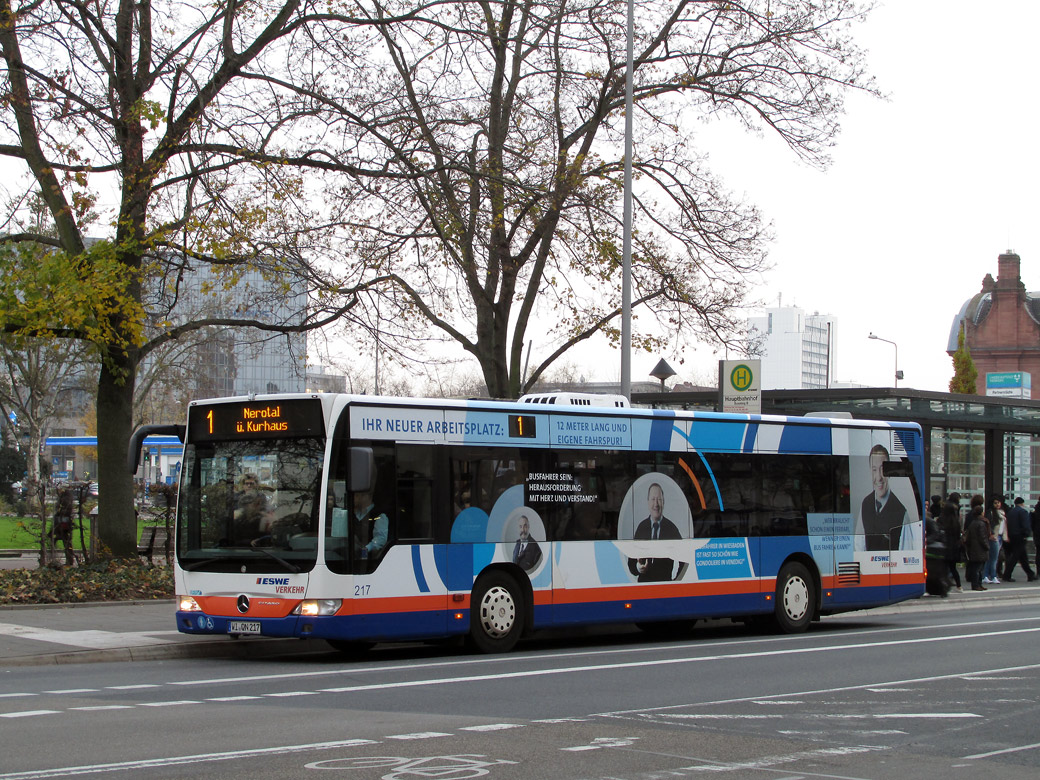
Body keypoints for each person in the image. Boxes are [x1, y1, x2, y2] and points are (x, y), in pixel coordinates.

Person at [857, 444, 918, 551]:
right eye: (874, 470)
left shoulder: (902, 514)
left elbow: (905, 552)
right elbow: (858, 544)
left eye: (882, 469)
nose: (878, 477)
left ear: (889, 472)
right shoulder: (865, 504)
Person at [628, 482, 682, 582]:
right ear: (648, 502)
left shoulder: (671, 528)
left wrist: (676, 581)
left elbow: (684, 559)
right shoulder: (641, 527)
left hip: (665, 587)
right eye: (653, 499)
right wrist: (638, 568)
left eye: (659, 499)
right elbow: (631, 563)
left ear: (664, 502)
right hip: (643, 588)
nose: (656, 504)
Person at [1001, 497, 1036, 582]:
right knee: (1016, 556)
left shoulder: (1010, 512)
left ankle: (1030, 573)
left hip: (1012, 536)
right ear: (1022, 503)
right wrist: (1026, 534)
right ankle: (1007, 574)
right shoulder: (1023, 512)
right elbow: (1026, 525)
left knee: (1022, 556)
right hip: (1020, 536)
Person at [352, 489, 388, 561]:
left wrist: (366, 549)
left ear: (367, 497)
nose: (354, 498)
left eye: (357, 496)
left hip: (369, 559)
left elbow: (380, 539)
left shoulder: (380, 515)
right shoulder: (354, 513)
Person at [963, 496, 990, 591]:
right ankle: (977, 584)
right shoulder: (981, 523)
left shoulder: (973, 522)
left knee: (976, 567)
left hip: (974, 547)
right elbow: (983, 537)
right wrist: (987, 546)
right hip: (980, 548)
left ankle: (978, 584)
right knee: (978, 568)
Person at [937, 500, 963, 592]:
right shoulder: (956, 521)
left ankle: (943, 586)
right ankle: (959, 586)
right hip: (954, 548)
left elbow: (938, 533)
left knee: (943, 568)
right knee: (953, 568)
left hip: (944, 547)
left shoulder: (942, 520)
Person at [983, 495, 1005, 584]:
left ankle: (986, 575)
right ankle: (993, 576)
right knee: (993, 558)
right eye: (995, 503)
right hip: (994, 536)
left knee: (992, 558)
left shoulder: (1001, 512)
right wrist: (991, 533)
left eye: (998, 503)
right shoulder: (990, 513)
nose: (997, 504)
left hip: (999, 536)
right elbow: (988, 524)